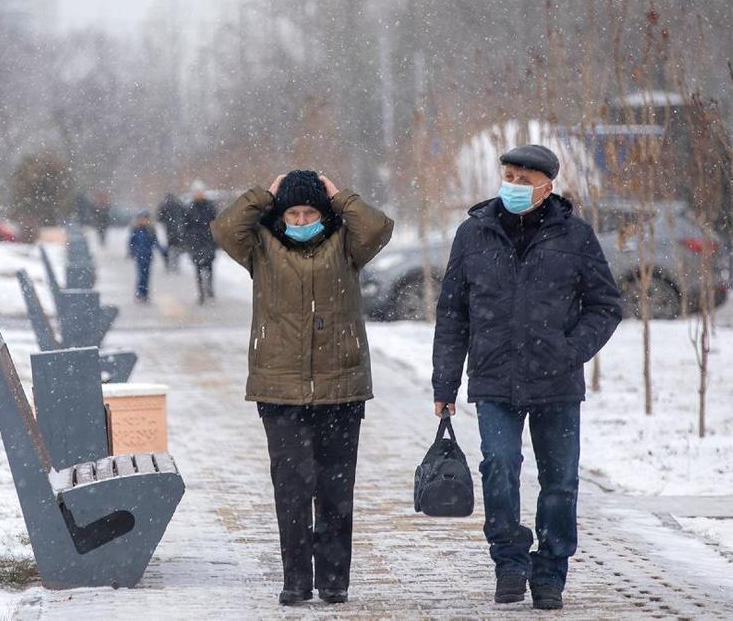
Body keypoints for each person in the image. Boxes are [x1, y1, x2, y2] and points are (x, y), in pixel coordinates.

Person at [431, 144, 622, 611]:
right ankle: (509, 562)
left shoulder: (574, 236)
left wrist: (570, 350)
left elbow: (606, 304)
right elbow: (452, 313)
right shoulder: (474, 233)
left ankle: (551, 570)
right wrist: (445, 385)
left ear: (547, 186)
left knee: (560, 482)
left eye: (523, 179)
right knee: (500, 466)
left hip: (556, 382)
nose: (513, 186)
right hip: (495, 378)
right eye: (508, 176)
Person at [211, 170, 393, 606]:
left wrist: (340, 196)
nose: (301, 218)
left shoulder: (346, 245)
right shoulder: (261, 248)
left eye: (310, 211)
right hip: (280, 391)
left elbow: (379, 227)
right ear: (281, 214)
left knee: (335, 490)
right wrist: (264, 195)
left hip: (341, 389)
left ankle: (334, 581)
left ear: (324, 212)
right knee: (291, 488)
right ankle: (295, 580)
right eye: (292, 212)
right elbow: (223, 228)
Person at [183, 181, 219, 304]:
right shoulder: (190, 208)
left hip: (208, 241)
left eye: (200, 192)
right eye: (196, 192)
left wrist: (216, 239)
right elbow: (185, 226)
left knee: (209, 267)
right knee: (197, 268)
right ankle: (201, 293)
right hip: (196, 243)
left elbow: (216, 223)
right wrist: (188, 241)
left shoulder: (210, 206)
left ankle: (209, 287)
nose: (198, 194)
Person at [127, 210, 166, 303]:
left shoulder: (151, 230)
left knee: (147, 276)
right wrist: (132, 251)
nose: (144, 221)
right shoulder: (135, 230)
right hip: (139, 256)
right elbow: (131, 242)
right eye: (142, 219)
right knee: (141, 276)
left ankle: (145, 294)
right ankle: (140, 293)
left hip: (148, 256)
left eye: (146, 219)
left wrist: (162, 250)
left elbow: (155, 242)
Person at [157, 192, 187, 272]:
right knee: (177, 247)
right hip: (178, 230)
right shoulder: (179, 204)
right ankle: (176, 264)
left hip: (169, 230)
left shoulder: (164, 206)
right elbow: (185, 215)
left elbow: (159, 217)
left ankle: (170, 264)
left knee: (170, 248)